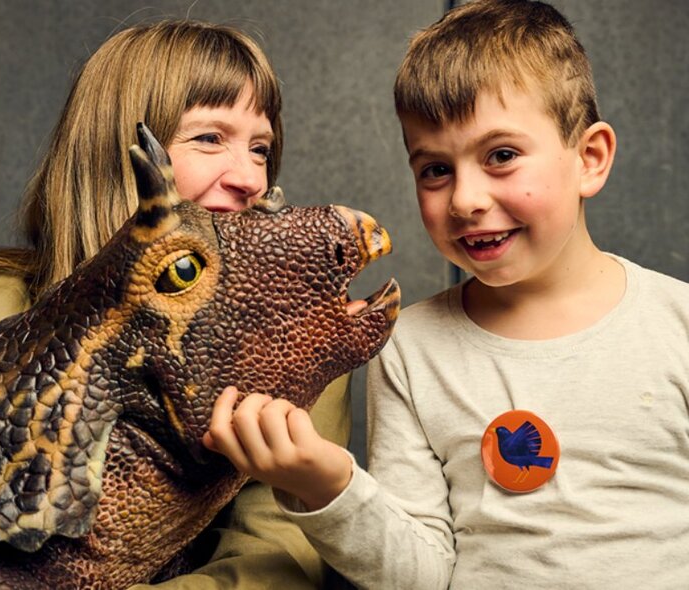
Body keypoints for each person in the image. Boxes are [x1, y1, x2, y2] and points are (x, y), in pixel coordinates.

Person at [0, 19, 352, 589]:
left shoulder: (285, 359)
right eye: (210, 138)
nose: (249, 178)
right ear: (115, 153)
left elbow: (273, 566)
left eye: (261, 148)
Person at [203, 0, 689, 588]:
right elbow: (421, 574)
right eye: (435, 169)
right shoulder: (409, 347)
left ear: (589, 159)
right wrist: (328, 486)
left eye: (501, 156)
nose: (464, 200)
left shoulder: (676, 324)